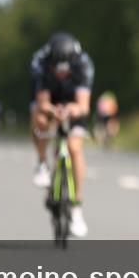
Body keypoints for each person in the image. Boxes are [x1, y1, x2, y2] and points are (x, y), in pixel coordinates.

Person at [29, 32, 95, 237]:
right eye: (57, 70)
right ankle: (42, 162)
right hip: (50, 100)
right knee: (39, 121)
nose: (61, 74)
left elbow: (84, 105)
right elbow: (42, 103)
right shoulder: (40, 63)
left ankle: (76, 206)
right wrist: (52, 112)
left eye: (65, 71)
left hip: (73, 101)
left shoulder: (84, 65)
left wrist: (73, 110)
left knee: (75, 148)